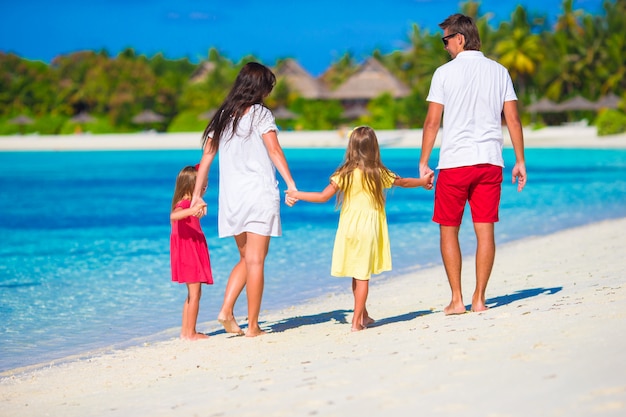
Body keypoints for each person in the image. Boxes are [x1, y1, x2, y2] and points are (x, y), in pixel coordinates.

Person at [419, 14, 527, 315]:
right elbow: (513, 120)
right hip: (490, 162)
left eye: (445, 40)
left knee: (448, 229)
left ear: (460, 39)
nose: (445, 47)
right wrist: (519, 160)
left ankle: (457, 299)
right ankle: (479, 298)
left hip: (455, 163)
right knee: (485, 230)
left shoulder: (443, 74)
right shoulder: (500, 71)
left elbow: (431, 123)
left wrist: (424, 162)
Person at [288, 126, 434, 331]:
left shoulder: (344, 173)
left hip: (349, 228)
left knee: (356, 273)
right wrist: (423, 181)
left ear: (351, 148)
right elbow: (405, 182)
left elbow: (322, 197)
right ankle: (357, 321)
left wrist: (297, 194)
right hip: (368, 229)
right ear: (374, 147)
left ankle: (363, 315)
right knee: (363, 275)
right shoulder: (378, 173)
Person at [191, 62, 298, 337]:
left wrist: (195, 196)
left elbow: (206, 158)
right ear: (258, 88)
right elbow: (274, 150)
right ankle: (252, 326)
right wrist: (291, 183)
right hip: (259, 193)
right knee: (256, 260)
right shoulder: (261, 113)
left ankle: (226, 311)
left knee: (245, 257)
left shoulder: (223, 116)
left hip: (232, 198)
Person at [170, 165, 213, 340]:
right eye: (203, 184)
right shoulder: (184, 204)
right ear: (191, 187)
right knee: (195, 294)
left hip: (190, 251)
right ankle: (191, 333)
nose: (205, 188)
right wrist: (192, 210)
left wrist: (196, 212)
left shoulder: (188, 203)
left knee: (192, 294)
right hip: (189, 253)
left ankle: (185, 332)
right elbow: (174, 216)